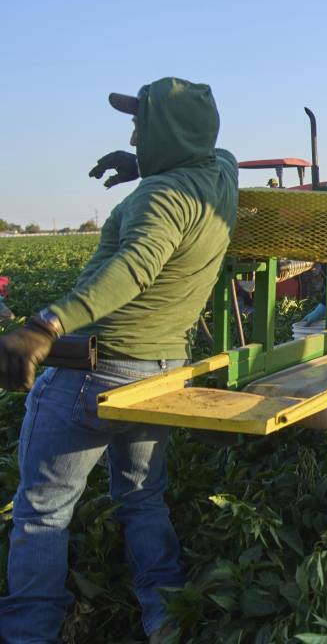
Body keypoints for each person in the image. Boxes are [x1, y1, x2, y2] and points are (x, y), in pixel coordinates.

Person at [0, 77, 238, 642]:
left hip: (93, 375)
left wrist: (44, 326)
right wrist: (142, 162)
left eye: (142, 126)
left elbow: (131, 271)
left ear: (169, 134)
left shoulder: (161, 199)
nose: (134, 133)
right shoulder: (220, 176)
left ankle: (29, 632)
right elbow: (215, 149)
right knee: (142, 497)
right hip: (159, 374)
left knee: (42, 510)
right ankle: (164, 615)